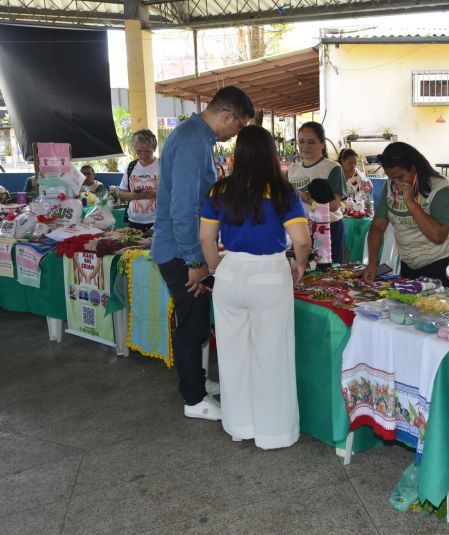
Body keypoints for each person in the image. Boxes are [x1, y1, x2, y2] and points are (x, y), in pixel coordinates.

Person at [199, 125, 310, 448]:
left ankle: (240, 426)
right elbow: (301, 241)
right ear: (271, 154)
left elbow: (206, 238)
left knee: (233, 355)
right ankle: (273, 433)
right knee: (272, 354)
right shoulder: (282, 192)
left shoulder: (219, 191)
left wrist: (216, 268)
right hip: (270, 273)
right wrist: (299, 264)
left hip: (230, 271)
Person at [151, 86, 254, 421]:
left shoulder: (196, 137)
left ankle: (197, 383)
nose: (234, 134)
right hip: (181, 251)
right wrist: (195, 262)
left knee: (195, 320)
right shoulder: (194, 141)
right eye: (237, 126)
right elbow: (182, 209)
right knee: (192, 325)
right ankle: (193, 400)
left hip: (184, 248)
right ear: (226, 115)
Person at [362, 142, 449, 285]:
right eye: (391, 178)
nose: (395, 182)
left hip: (441, 265)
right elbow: (377, 227)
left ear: (414, 167)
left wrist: (411, 203)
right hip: (409, 265)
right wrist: (372, 262)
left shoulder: (442, 189)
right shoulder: (390, 187)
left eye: (400, 177)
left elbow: (438, 236)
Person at [287, 122, 347, 264]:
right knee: (303, 272)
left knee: (327, 273)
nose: (305, 146)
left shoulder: (332, 168)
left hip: (327, 228)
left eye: (311, 142)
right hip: (301, 227)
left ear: (322, 144)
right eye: (301, 141)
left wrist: (306, 198)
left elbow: (334, 205)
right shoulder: (293, 169)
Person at [118, 129, 159, 231]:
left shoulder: (163, 165)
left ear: (154, 148)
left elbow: (175, 191)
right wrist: (133, 195)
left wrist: (156, 193)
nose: (142, 154)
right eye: (139, 151)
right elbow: (121, 192)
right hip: (134, 221)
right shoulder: (131, 166)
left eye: (147, 151)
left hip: (158, 220)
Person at [338, 148, 373, 215]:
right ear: (342, 161)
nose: (353, 166)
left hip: (354, 210)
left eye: (355, 163)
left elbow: (363, 197)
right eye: (350, 163)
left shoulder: (359, 177)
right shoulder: (336, 173)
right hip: (337, 209)